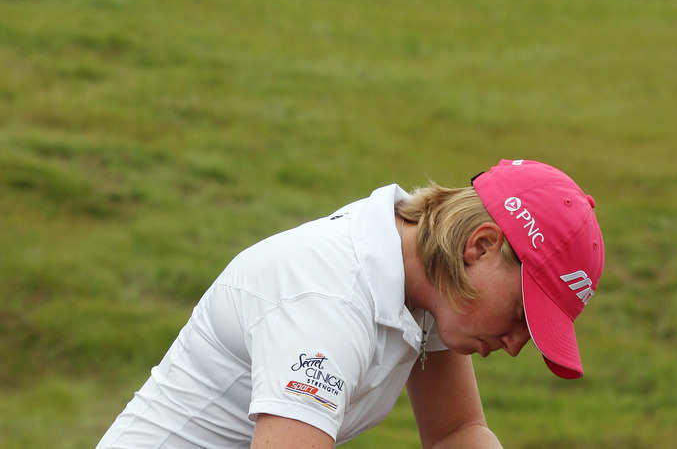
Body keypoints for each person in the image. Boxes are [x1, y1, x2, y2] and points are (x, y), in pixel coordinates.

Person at [96, 159, 604, 449]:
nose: (517, 345)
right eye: (521, 316)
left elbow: (457, 432)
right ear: (481, 246)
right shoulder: (327, 300)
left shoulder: (421, 282)